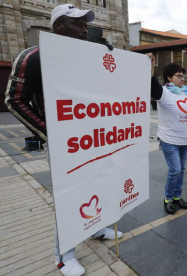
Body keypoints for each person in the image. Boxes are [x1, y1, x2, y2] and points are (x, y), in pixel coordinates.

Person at [4, 4, 122, 276]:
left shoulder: (89, 56)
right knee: (70, 198)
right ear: (58, 26)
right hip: (64, 147)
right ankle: (63, 253)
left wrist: (115, 66)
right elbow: (14, 100)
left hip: (96, 141)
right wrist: (51, 135)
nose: (84, 29)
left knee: (100, 186)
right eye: (77, 24)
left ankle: (95, 229)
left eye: (85, 24)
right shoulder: (33, 56)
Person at [149, 62, 187, 214]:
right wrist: (150, 68)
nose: (182, 79)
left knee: (182, 170)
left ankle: (177, 196)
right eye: (178, 76)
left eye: (182, 76)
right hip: (169, 140)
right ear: (169, 78)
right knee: (175, 170)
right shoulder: (164, 93)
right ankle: (168, 198)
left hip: (185, 139)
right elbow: (153, 87)